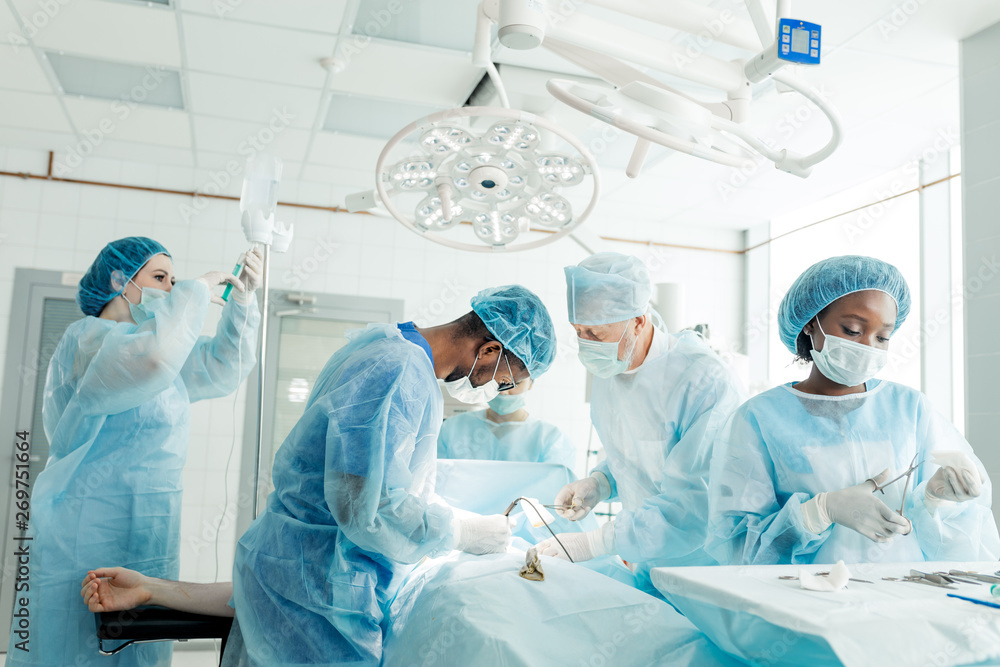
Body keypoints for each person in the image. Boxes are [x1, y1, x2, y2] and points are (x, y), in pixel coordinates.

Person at [226, 285, 556, 666]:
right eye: (503, 380)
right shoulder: (399, 372)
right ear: (490, 350)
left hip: (301, 564)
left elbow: (377, 483)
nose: (490, 389)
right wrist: (460, 533)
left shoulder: (387, 345)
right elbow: (367, 508)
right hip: (317, 579)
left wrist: (454, 519)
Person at [9, 237, 261, 667]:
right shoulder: (89, 339)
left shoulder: (154, 346)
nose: (169, 289)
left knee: (141, 639)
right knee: (76, 641)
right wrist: (196, 289)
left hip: (149, 527)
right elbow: (152, 361)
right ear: (119, 280)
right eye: (160, 278)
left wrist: (242, 302)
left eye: (174, 281)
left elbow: (223, 365)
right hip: (85, 526)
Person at [707, 255, 1000, 565]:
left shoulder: (909, 408)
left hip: (902, 594)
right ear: (811, 322)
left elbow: (964, 535)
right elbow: (737, 547)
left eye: (883, 337)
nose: (867, 347)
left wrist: (936, 499)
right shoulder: (759, 418)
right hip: (805, 600)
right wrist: (818, 512)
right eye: (852, 330)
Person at [536, 252, 745, 594]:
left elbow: (696, 502)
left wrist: (595, 543)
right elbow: (636, 455)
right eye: (579, 332)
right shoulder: (611, 371)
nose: (587, 344)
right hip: (648, 562)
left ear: (638, 320)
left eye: (597, 333)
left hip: (704, 568)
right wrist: (600, 482)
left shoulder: (703, 381)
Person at [437, 378, 577, 468]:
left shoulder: (550, 439)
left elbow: (554, 493)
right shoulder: (452, 428)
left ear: (531, 383)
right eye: (497, 382)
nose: (504, 392)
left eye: (515, 383)